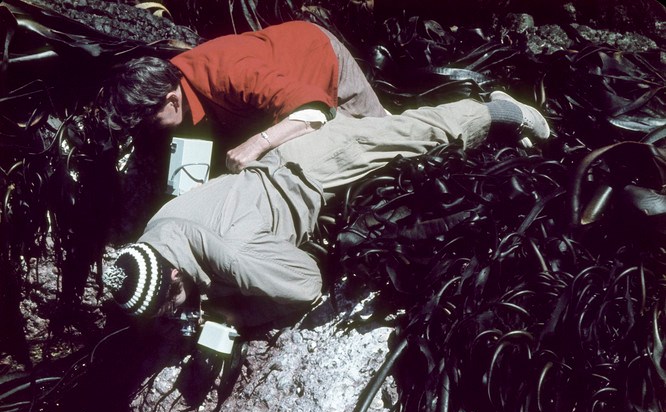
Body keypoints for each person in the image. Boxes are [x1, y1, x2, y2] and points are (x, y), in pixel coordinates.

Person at [103, 91, 550, 328]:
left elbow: (306, 284)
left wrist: (239, 311)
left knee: (417, 134)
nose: (167, 314)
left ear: (174, 275)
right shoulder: (156, 229)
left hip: (314, 168)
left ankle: (501, 111)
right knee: (397, 131)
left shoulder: (232, 254)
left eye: (166, 304)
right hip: (281, 166)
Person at [96, 21, 387, 173]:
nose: (147, 128)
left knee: (382, 138)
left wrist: (255, 144)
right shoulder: (171, 86)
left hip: (318, 59)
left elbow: (314, 110)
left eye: (149, 120)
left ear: (172, 100)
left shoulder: (230, 74)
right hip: (268, 87)